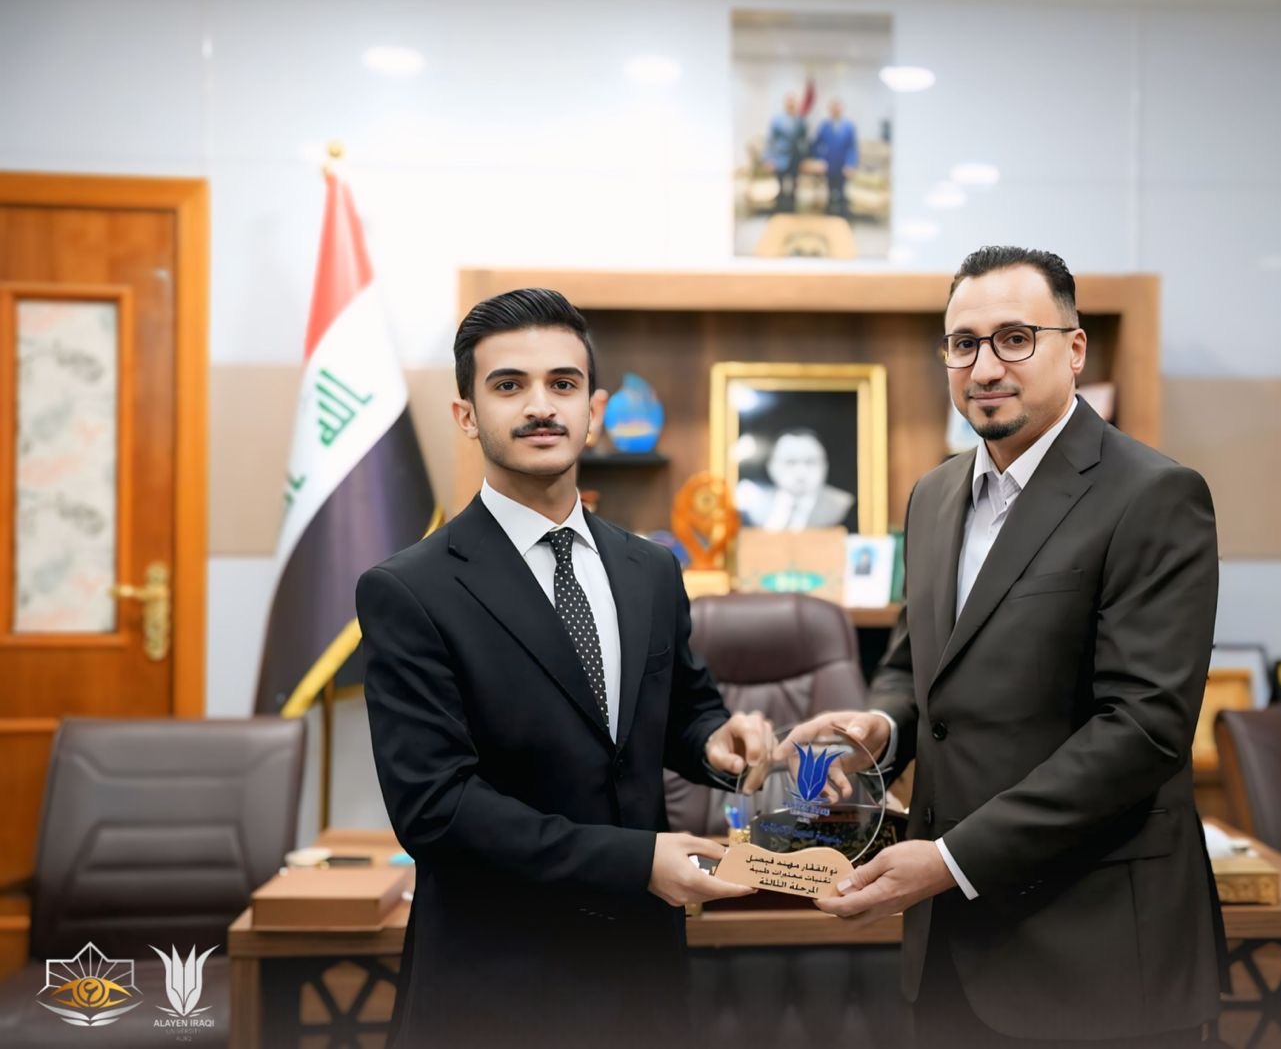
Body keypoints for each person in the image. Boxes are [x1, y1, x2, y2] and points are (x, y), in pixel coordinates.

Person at [783, 246, 1225, 1047]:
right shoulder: (933, 494)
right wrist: (881, 727)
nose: (985, 367)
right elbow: (915, 668)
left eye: (1015, 339)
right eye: (964, 343)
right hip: (950, 949)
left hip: (1094, 955)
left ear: (1075, 349)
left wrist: (950, 858)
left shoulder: (1154, 495)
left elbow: (1144, 728)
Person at [357, 287, 769, 1048]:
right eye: (509, 385)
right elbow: (436, 808)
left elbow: (681, 711)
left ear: (595, 409)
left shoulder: (650, 568)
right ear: (466, 415)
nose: (541, 406)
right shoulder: (408, 590)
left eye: (563, 383)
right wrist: (635, 861)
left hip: (644, 973)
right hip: (493, 979)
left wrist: (715, 742)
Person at [735, 428, 856, 530]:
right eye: (790, 462)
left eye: (810, 462)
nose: (801, 472)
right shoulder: (756, 505)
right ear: (771, 467)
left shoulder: (842, 503)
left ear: (825, 466)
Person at [809, 97, 859, 216]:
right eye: (833, 108)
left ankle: (843, 216)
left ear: (841, 109)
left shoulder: (849, 127)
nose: (836, 110)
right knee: (830, 191)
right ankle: (829, 215)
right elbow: (816, 145)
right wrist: (819, 161)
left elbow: (851, 148)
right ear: (830, 110)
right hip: (828, 165)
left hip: (843, 165)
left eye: (838, 108)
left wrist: (850, 164)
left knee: (842, 192)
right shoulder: (824, 126)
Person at [764, 91, 808, 213]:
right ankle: (779, 212)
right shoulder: (777, 120)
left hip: (796, 159)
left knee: (794, 188)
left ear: (796, 104)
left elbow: (804, 141)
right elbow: (770, 141)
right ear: (785, 103)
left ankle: (792, 212)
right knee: (780, 188)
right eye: (789, 101)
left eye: (793, 102)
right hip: (780, 159)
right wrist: (769, 159)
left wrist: (804, 159)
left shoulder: (800, 120)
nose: (791, 104)